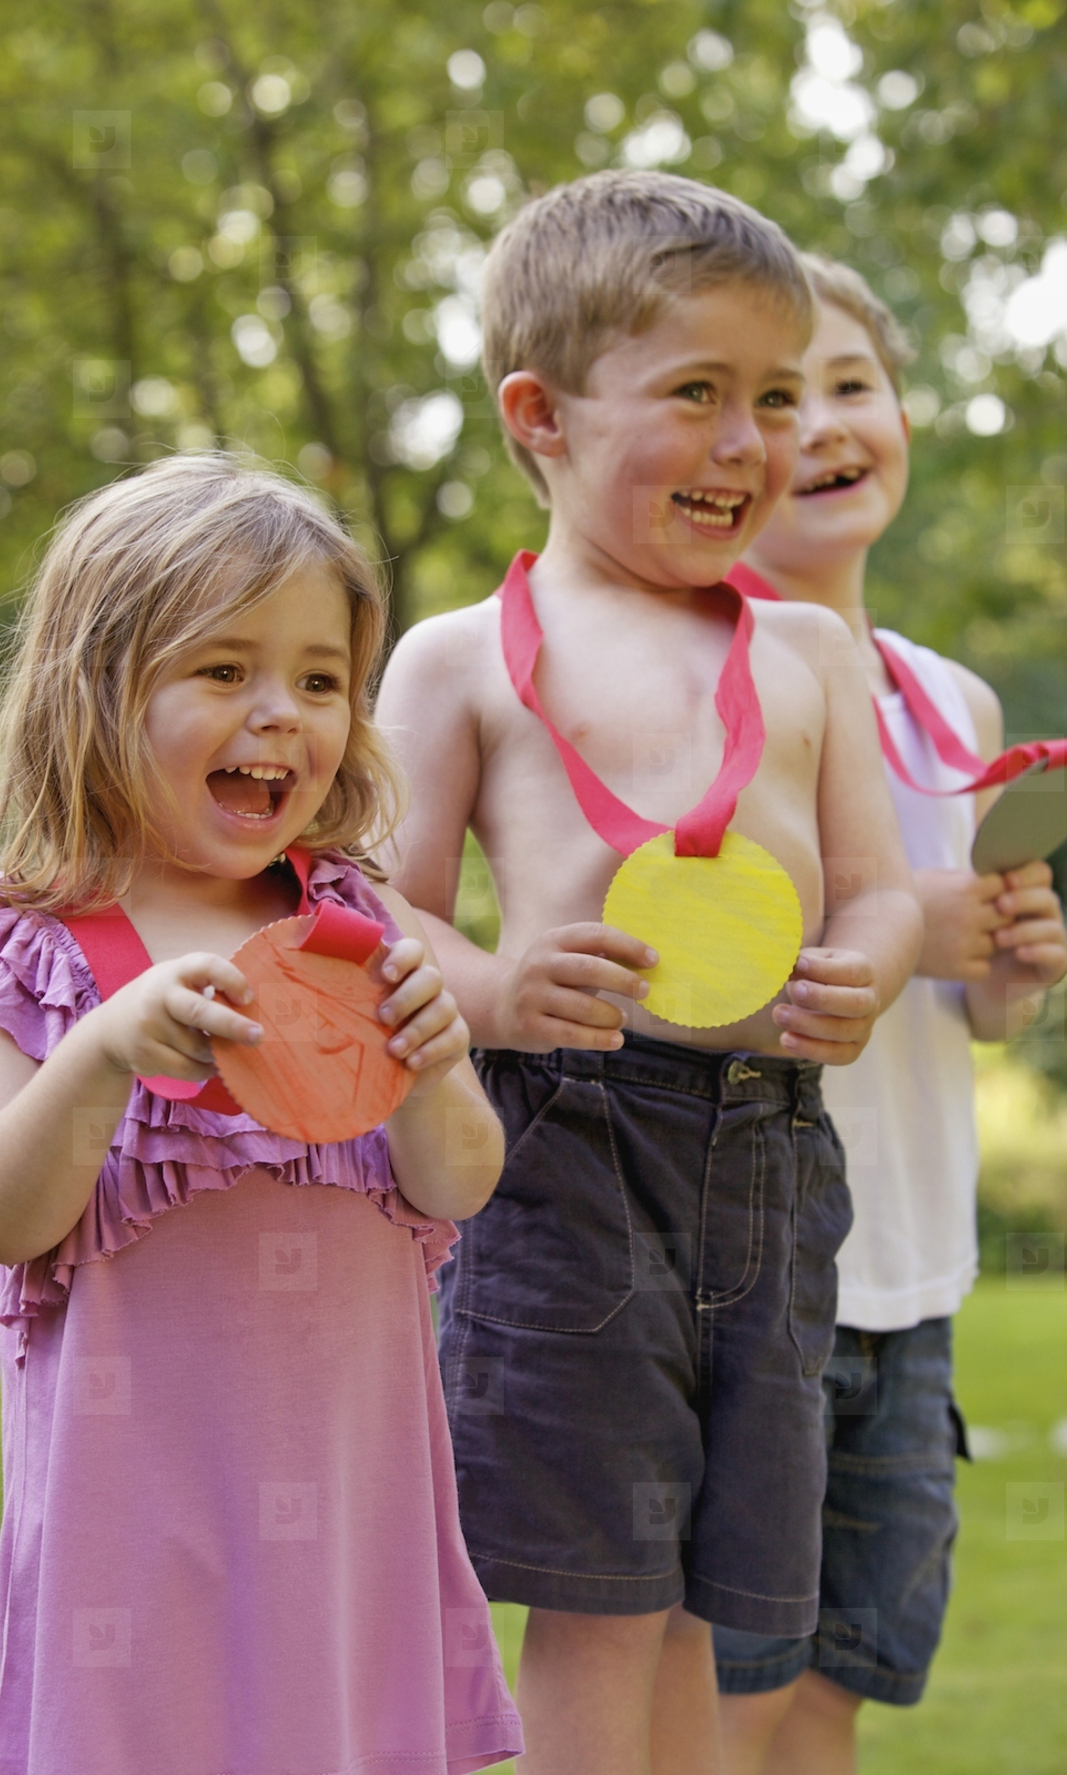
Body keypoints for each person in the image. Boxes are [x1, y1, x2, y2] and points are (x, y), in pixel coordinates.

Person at [376, 172, 923, 1775]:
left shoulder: (810, 652)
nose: (756, 442)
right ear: (540, 414)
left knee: (717, 1598)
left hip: (770, 1153)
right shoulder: (461, 657)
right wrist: (496, 994)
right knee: (603, 1603)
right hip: (571, 1155)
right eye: (700, 393)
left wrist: (871, 976)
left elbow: (882, 896)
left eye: (773, 395)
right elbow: (378, 915)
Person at [0, 455, 524, 1775]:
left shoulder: (356, 926)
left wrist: (431, 1062)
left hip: (348, 1507)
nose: (284, 715)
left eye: (319, 680)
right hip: (131, 1525)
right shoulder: (21, 949)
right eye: (224, 670)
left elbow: (459, 1183)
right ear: (98, 691)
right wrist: (98, 1057)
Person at [711, 258, 1067, 1774]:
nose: (829, 424)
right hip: (753, 1274)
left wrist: (1008, 966)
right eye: (781, 400)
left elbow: (971, 1020)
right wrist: (920, 925)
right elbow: (707, 951)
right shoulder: (705, 674)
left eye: (854, 383)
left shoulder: (951, 703)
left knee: (844, 1678)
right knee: (725, 1683)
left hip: (915, 1275)